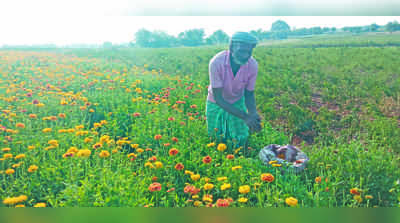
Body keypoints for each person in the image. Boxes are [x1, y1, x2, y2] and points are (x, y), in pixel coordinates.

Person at [206, 31, 261, 150]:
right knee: (217, 137)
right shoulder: (216, 63)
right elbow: (219, 99)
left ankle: (240, 156)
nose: (245, 55)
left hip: (237, 100)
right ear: (231, 47)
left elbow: (249, 93)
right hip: (216, 103)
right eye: (241, 51)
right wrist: (245, 117)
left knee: (240, 137)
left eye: (249, 52)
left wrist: (252, 113)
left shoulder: (252, 65)